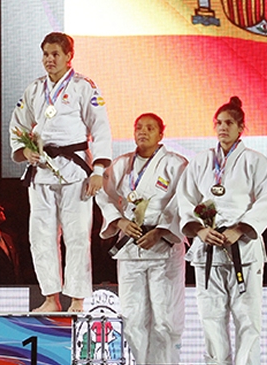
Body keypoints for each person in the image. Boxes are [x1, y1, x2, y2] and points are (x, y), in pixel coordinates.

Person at [9, 32, 112, 312]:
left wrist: (98, 169)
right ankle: (51, 298)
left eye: (55, 54)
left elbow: (100, 128)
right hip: (41, 170)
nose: (49, 59)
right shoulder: (33, 89)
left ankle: (77, 298)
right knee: (40, 235)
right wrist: (24, 151)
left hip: (75, 169)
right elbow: (18, 126)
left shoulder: (84, 87)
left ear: (69, 56)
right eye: (45, 54)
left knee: (77, 235)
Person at [178, 96, 267, 365]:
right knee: (210, 319)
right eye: (219, 123)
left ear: (241, 126)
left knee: (247, 319)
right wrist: (199, 231)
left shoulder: (256, 161)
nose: (223, 128)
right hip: (207, 250)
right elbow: (184, 199)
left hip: (243, 250)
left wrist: (241, 229)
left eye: (229, 123)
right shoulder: (200, 162)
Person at [95, 113, 187, 364]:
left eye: (150, 128)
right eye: (138, 127)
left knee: (165, 320)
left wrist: (161, 230)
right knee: (133, 319)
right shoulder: (121, 164)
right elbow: (104, 196)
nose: (143, 131)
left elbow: (184, 201)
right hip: (130, 248)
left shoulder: (176, 164)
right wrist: (120, 220)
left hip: (163, 247)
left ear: (161, 134)